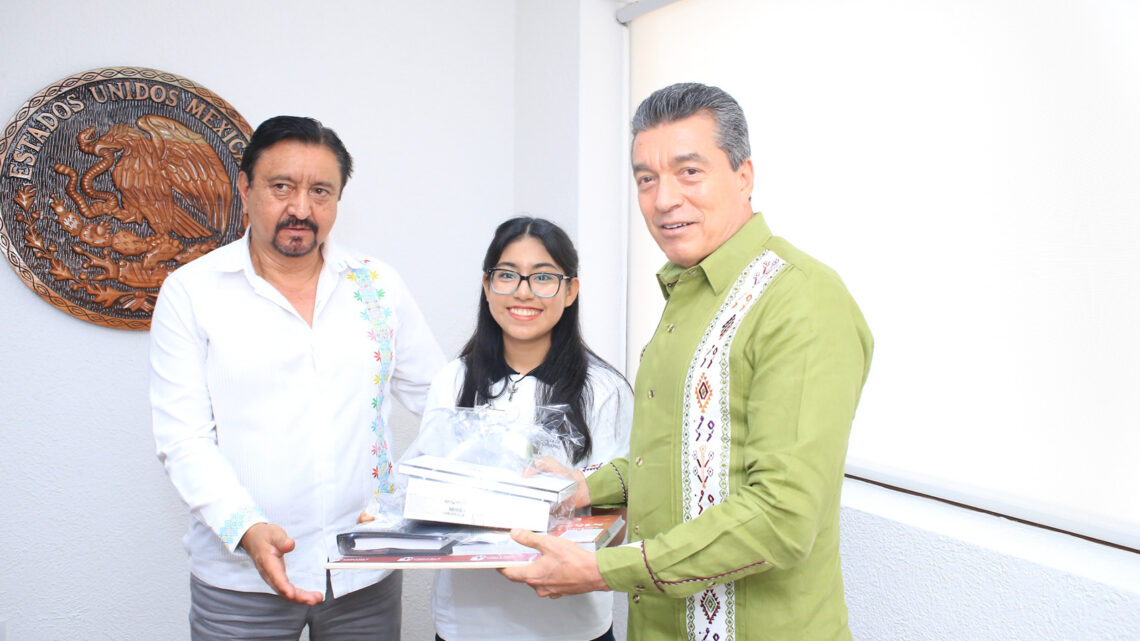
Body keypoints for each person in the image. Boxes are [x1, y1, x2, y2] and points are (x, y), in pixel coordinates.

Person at [501, 83, 874, 641]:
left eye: (688, 171)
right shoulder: (689, 295)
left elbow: (783, 516)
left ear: (744, 176)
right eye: (646, 179)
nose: (663, 198)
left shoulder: (800, 298)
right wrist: (584, 488)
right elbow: (679, 459)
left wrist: (605, 571)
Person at [150, 115, 444, 640]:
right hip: (240, 583)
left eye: (320, 192)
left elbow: (442, 400)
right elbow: (183, 439)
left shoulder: (376, 284)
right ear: (246, 188)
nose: (301, 209)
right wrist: (248, 530)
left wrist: (410, 497)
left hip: (363, 573)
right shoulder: (192, 292)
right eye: (281, 187)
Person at [423, 217, 633, 641]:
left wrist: (570, 493)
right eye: (507, 275)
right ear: (487, 286)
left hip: (571, 623)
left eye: (543, 277)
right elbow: (431, 500)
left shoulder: (604, 390)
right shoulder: (452, 381)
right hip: (468, 623)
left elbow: (619, 524)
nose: (523, 291)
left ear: (570, 290)